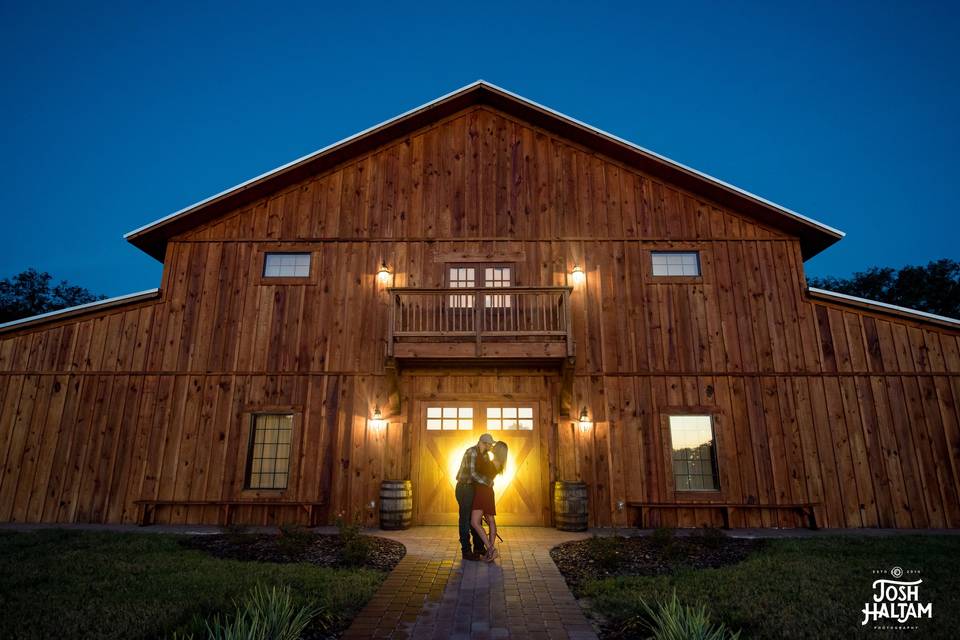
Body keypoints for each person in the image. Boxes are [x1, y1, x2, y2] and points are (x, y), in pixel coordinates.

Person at [455, 433, 494, 560]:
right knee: (465, 520)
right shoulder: (471, 452)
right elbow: (472, 474)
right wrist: (487, 482)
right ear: (484, 443)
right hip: (465, 488)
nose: (491, 446)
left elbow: (487, 471)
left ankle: (478, 548)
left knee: (476, 519)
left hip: (473, 489)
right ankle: (466, 551)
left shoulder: (485, 455)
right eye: (490, 444)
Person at [471, 440, 508, 562]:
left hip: (482, 492)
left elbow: (478, 471)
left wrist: (483, 449)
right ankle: (490, 551)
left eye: (495, 446)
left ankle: (490, 549)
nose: (492, 447)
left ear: (498, 450)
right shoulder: (500, 464)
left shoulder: (490, 463)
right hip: (488, 492)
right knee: (491, 520)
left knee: (475, 522)